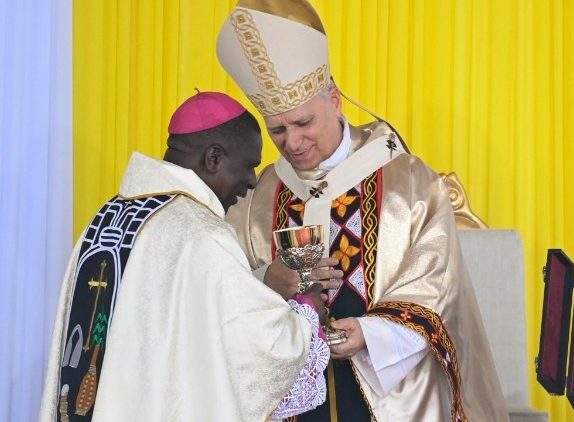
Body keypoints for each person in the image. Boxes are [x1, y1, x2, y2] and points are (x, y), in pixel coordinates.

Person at [216, 1, 509, 421]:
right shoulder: (256, 198)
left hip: (390, 391)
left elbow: (436, 284)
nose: (292, 143)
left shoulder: (410, 182)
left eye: (303, 123)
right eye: (277, 129)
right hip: (290, 395)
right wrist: (267, 279)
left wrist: (371, 335)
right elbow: (225, 282)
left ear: (334, 101)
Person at [39, 91, 331, 422]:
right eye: (249, 165)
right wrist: (307, 314)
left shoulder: (107, 217)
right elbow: (256, 349)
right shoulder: (200, 233)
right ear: (214, 158)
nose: (251, 182)